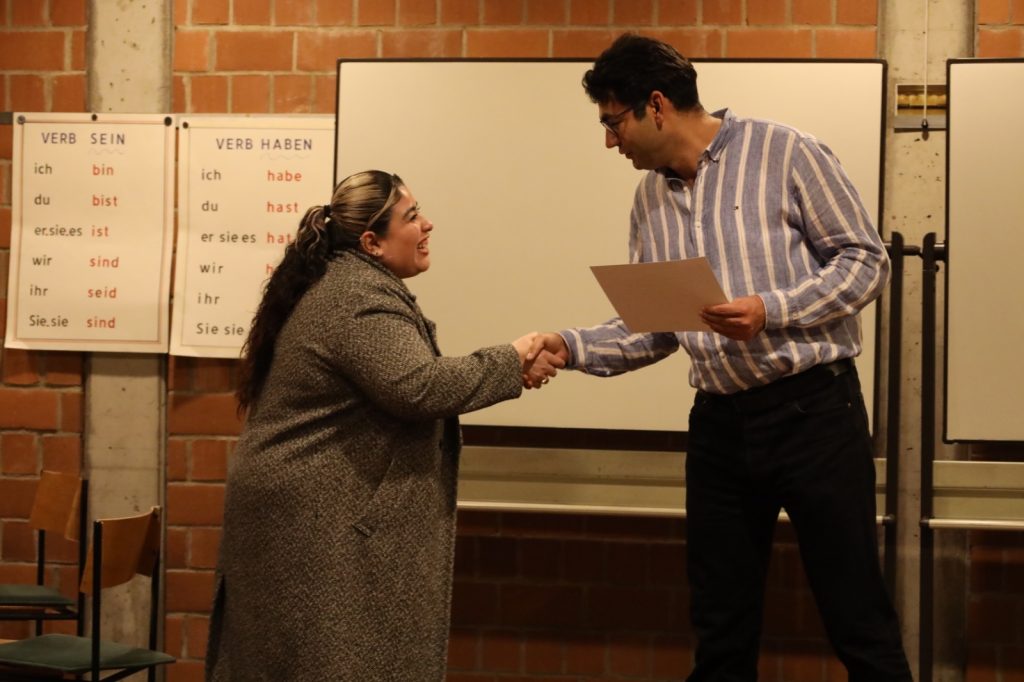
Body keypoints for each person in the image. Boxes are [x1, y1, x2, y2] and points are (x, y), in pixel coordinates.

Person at [527, 34, 913, 681]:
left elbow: (866, 261)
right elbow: (657, 327)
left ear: (656, 106)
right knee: (720, 627)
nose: (610, 142)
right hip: (719, 427)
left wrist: (771, 308)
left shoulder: (786, 151)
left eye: (613, 123)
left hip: (814, 413)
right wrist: (570, 346)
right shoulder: (649, 198)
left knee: (856, 615)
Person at [205, 170, 561, 681]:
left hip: (315, 511)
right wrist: (512, 356)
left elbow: (407, 380)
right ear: (372, 242)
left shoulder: (352, 285)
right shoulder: (357, 298)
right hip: (312, 520)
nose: (428, 224)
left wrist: (511, 368)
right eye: (412, 216)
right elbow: (418, 387)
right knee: (330, 663)